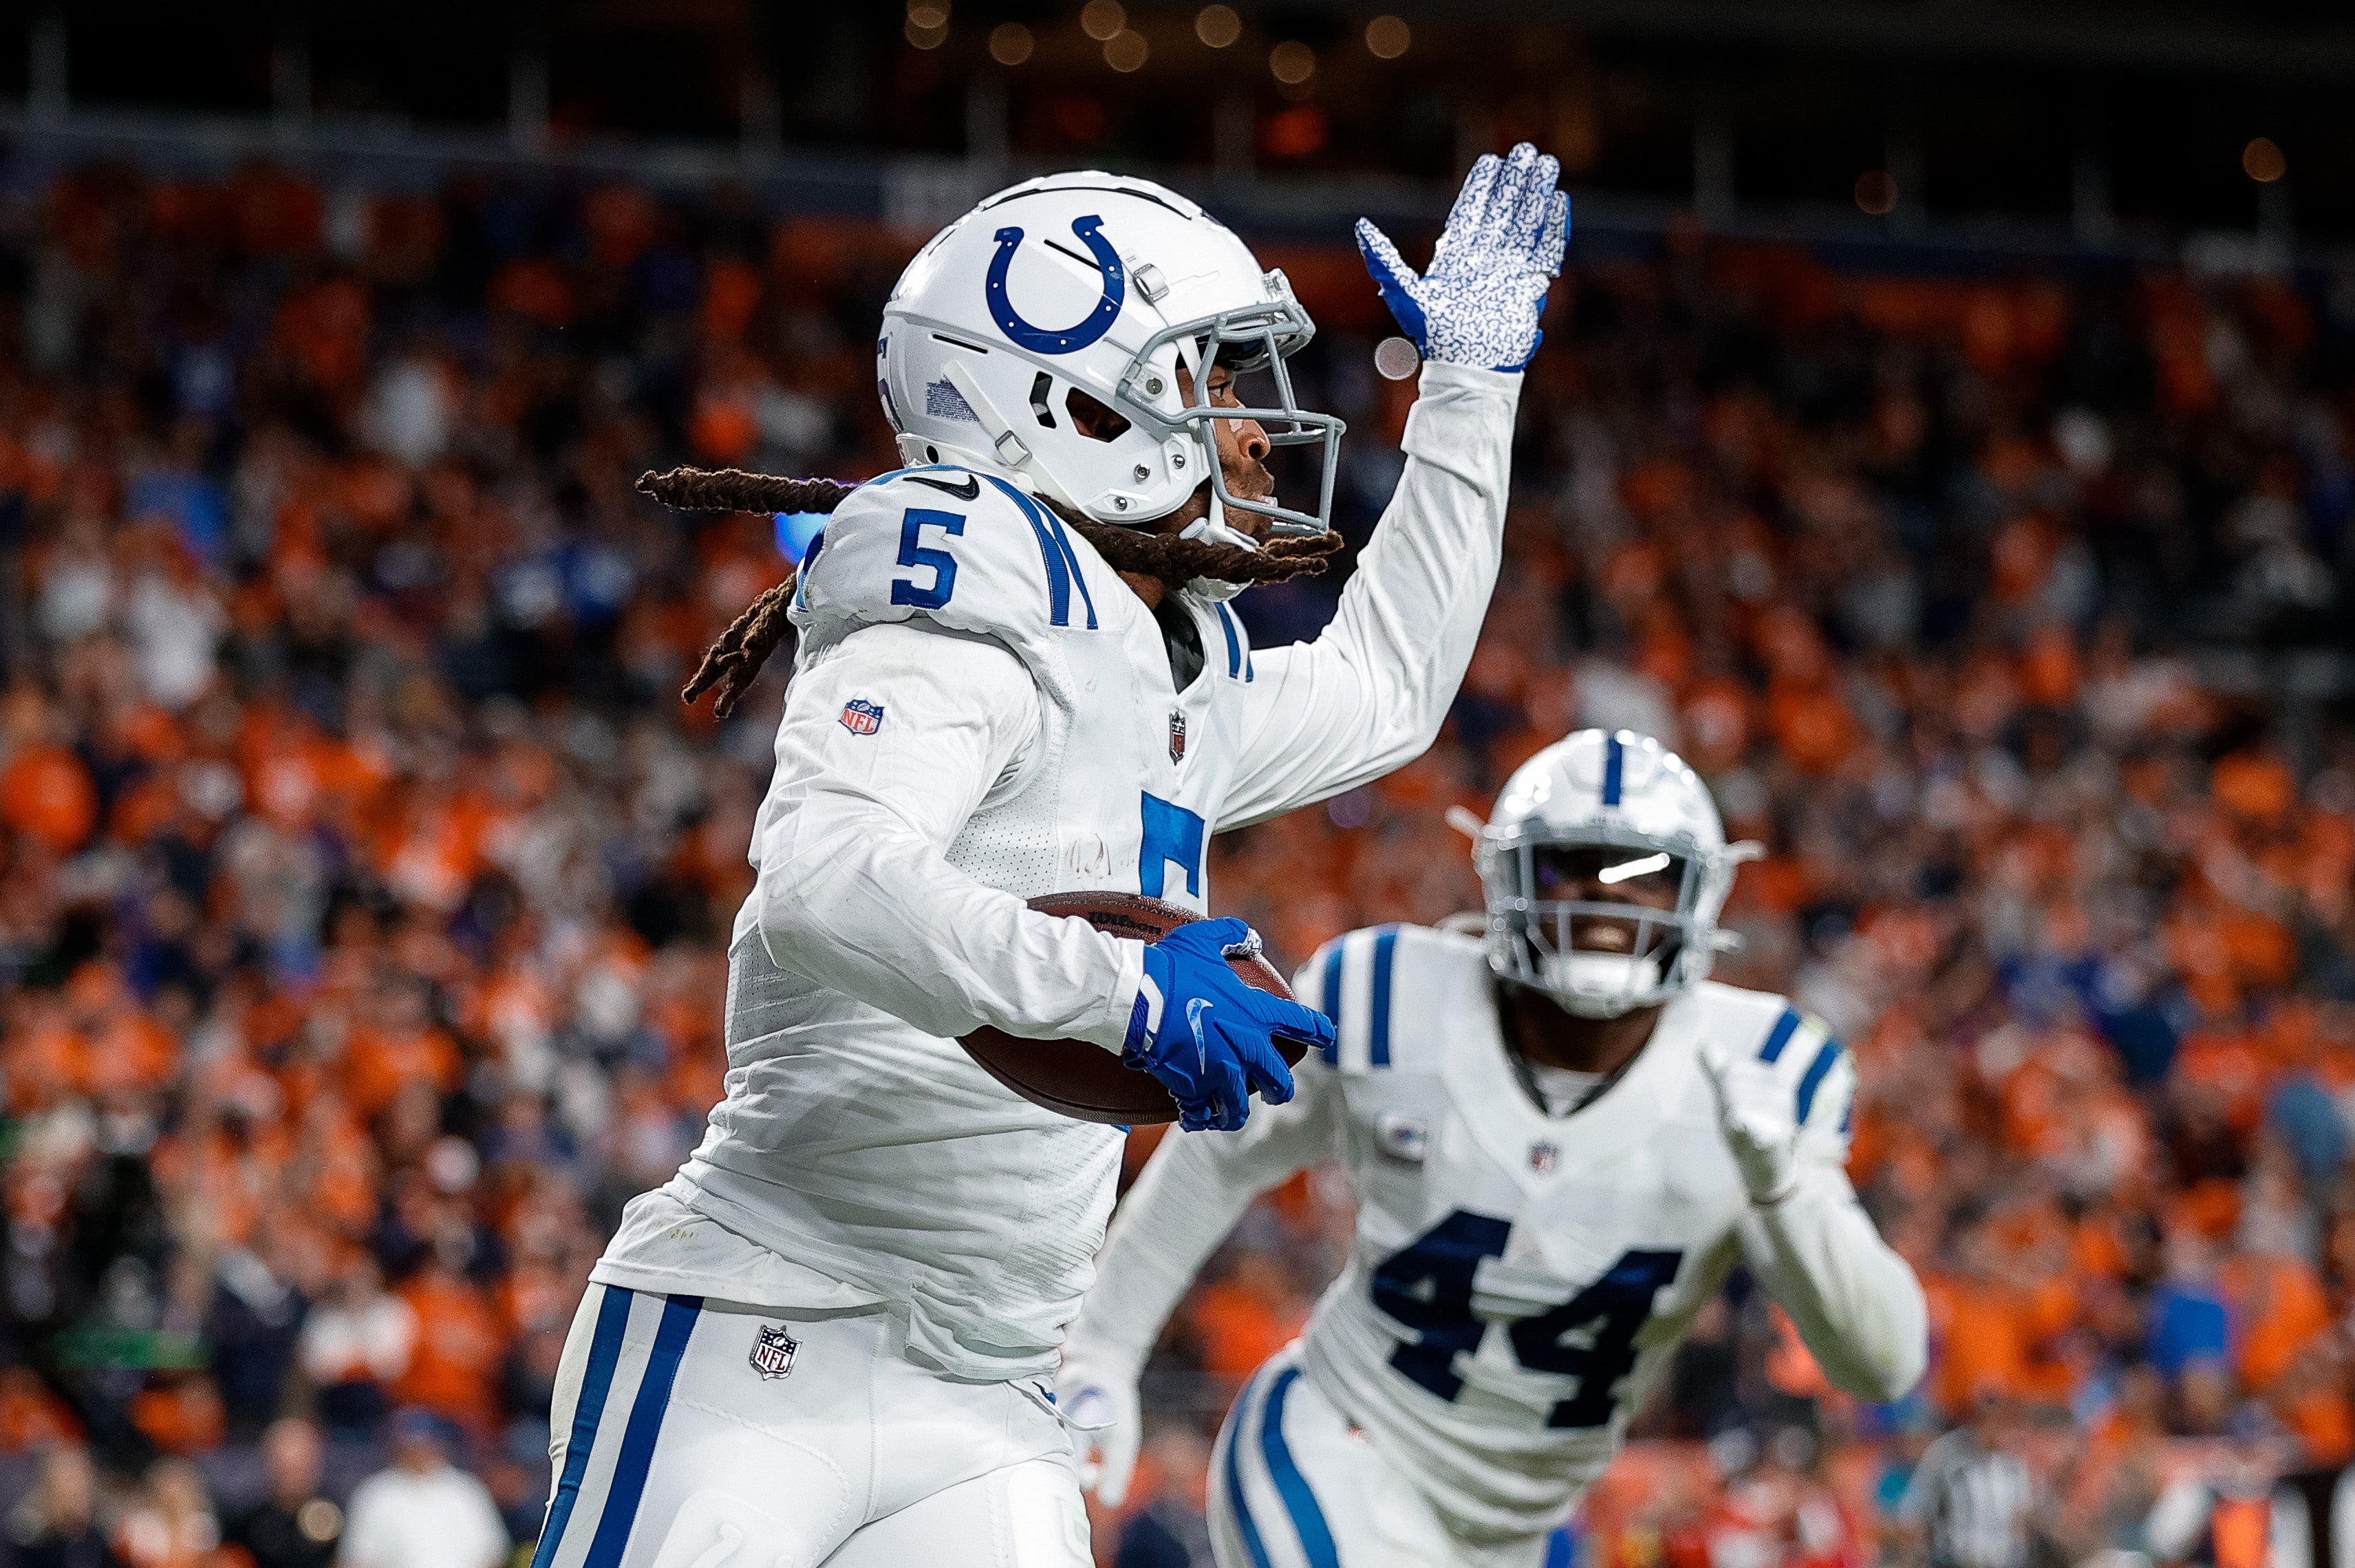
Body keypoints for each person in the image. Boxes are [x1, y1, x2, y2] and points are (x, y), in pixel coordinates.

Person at [535, 146, 1568, 1568]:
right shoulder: (964, 607)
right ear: (1071, 405)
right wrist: (1123, 995)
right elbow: (824, 877)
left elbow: (1390, 687)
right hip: (760, 1328)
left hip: (989, 1380)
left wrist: (1472, 389)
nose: (1258, 430)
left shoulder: (1160, 660)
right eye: (1210, 380)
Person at [1059, 730, 1928, 1567]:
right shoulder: (1385, 994)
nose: (1605, 897)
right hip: (1339, 1440)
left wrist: (1788, 1191)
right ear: (1504, 873)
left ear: (1699, 896)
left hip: (1518, 1526)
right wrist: (1103, 1346)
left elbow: (1881, 1362)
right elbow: (1218, 1160)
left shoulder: (1769, 1070)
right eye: (1569, 865)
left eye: (1645, 874)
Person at [336, 1409, 506, 1568]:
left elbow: (493, 1551)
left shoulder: (466, 1489)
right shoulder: (376, 1493)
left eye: (427, 1442)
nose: (420, 1451)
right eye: (413, 1444)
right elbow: (356, 1558)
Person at [1899, 1388, 2039, 1568]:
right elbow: (1916, 1509)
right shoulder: (1946, 1455)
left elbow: (2021, 1516)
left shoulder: (2013, 1465)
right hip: (1954, 1561)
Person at [228, 1418, 342, 1568]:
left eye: (300, 1468)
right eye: (285, 1469)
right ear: (269, 1464)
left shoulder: (337, 1517)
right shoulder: (247, 1523)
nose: (293, 1480)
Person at [3, 1443, 121, 1568]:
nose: (75, 1489)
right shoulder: (30, 1540)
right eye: (68, 1480)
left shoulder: (99, 1538)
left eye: (79, 1479)